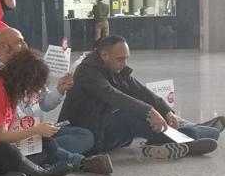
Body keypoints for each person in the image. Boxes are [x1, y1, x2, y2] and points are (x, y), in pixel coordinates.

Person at [59, 35, 219, 159]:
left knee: (139, 114)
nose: (124, 63)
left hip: (100, 125)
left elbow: (140, 90)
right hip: (86, 131)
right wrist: (150, 111)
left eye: (126, 58)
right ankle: (189, 138)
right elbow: (113, 96)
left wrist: (166, 110)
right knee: (129, 117)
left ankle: (193, 132)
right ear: (104, 55)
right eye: (120, 59)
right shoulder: (87, 72)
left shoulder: (114, 68)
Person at [0, 28, 96, 156]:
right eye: (19, 42)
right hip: (13, 137)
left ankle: (46, 153)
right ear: (4, 47)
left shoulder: (27, 66)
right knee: (53, 145)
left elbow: (46, 104)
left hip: (37, 131)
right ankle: (47, 154)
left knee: (85, 135)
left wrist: (60, 89)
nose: (26, 46)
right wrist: (34, 131)